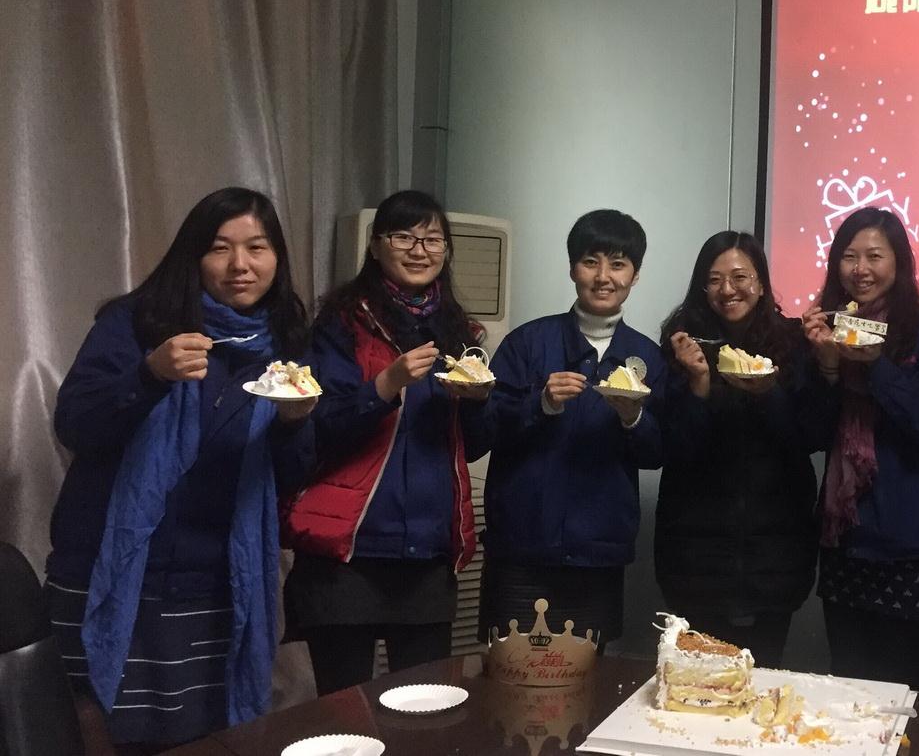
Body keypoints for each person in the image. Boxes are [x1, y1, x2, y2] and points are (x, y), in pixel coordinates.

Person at [46, 187, 315, 751]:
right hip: (109, 574)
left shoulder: (286, 342)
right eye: (219, 247)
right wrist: (148, 375)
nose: (240, 265)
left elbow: (290, 477)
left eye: (256, 247)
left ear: (277, 257)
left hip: (216, 584)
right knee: (98, 735)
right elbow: (75, 424)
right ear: (193, 255)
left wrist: (294, 424)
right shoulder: (138, 322)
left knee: (208, 739)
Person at [280, 190, 489, 696]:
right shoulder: (340, 323)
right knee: (342, 711)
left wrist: (479, 403)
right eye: (404, 237)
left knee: (425, 710)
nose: (420, 250)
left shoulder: (460, 332)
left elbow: (474, 446)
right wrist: (384, 386)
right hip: (346, 553)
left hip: (428, 553)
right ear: (375, 247)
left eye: (432, 239)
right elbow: (317, 426)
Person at [478, 209, 663, 652]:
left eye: (618, 264)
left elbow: (658, 452)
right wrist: (541, 403)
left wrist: (633, 418)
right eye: (590, 262)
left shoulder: (646, 356)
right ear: (572, 268)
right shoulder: (528, 342)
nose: (603, 277)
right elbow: (485, 430)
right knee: (511, 673)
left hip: (597, 551)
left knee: (588, 678)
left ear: (635, 275)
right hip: (521, 546)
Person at [799, 207, 919, 691]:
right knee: (847, 686)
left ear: (899, 263)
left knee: (902, 688)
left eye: (875, 256)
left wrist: (875, 364)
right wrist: (827, 367)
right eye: (849, 257)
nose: (861, 269)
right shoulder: (825, 327)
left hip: (916, 540)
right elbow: (810, 434)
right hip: (847, 538)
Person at [656, 231, 820, 668]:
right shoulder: (681, 344)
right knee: (697, 686)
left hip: (776, 554)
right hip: (695, 556)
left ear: (762, 283)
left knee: (761, 679)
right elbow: (673, 448)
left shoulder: (794, 344)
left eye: (740, 277)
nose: (727, 289)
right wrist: (698, 386)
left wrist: (769, 393)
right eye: (714, 280)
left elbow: (810, 438)